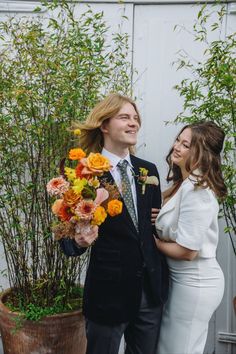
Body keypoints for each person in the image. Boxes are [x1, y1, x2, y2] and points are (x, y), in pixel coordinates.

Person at [60, 93, 169, 354]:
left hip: (149, 293)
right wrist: (78, 240)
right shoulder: (84, 173)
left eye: (135, 118)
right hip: (108, 294)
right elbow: (66, 238)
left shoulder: (148, 171)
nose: (133, 123)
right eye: (124, 117)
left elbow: (149, 228)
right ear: (104, 125)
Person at [155, 121, 227, 354]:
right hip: (182, 282)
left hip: (194, 283)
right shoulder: (184, 183)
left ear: (201, 154)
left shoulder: (198, 189)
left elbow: (188, 251)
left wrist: (152, 242)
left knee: (178, 349)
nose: (176, 147)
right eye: (178, 140)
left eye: (186, 145)